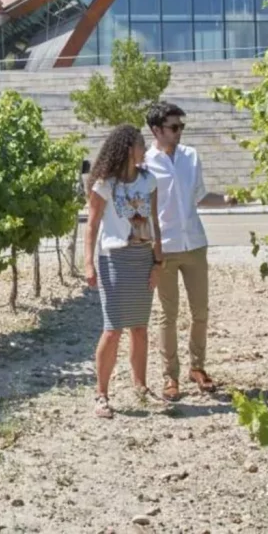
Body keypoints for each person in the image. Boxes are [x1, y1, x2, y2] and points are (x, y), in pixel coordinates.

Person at [144, 102, 233, 402]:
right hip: (164, 248)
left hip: (194, 243)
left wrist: (228, 200)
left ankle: (198, 367)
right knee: (167, 315)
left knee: (200, 311)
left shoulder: (191, 156)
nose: (179, 131)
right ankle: (170, 376)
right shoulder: (145, 163)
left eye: (181, 126)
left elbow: (200, 196)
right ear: (156, 130)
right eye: (173, 127)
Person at [83, 124, 164, 419]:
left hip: (142, 258)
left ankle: (141, 386)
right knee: (113, 328)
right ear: (129, 149)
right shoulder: (105, 184)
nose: (145, 150)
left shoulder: (149, 180)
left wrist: (158, 262)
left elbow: (154, 222)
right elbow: (92, 225)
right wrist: (88, 263)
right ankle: (101, 394)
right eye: (141, 145)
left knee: (140, 327)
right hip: (114, 259)